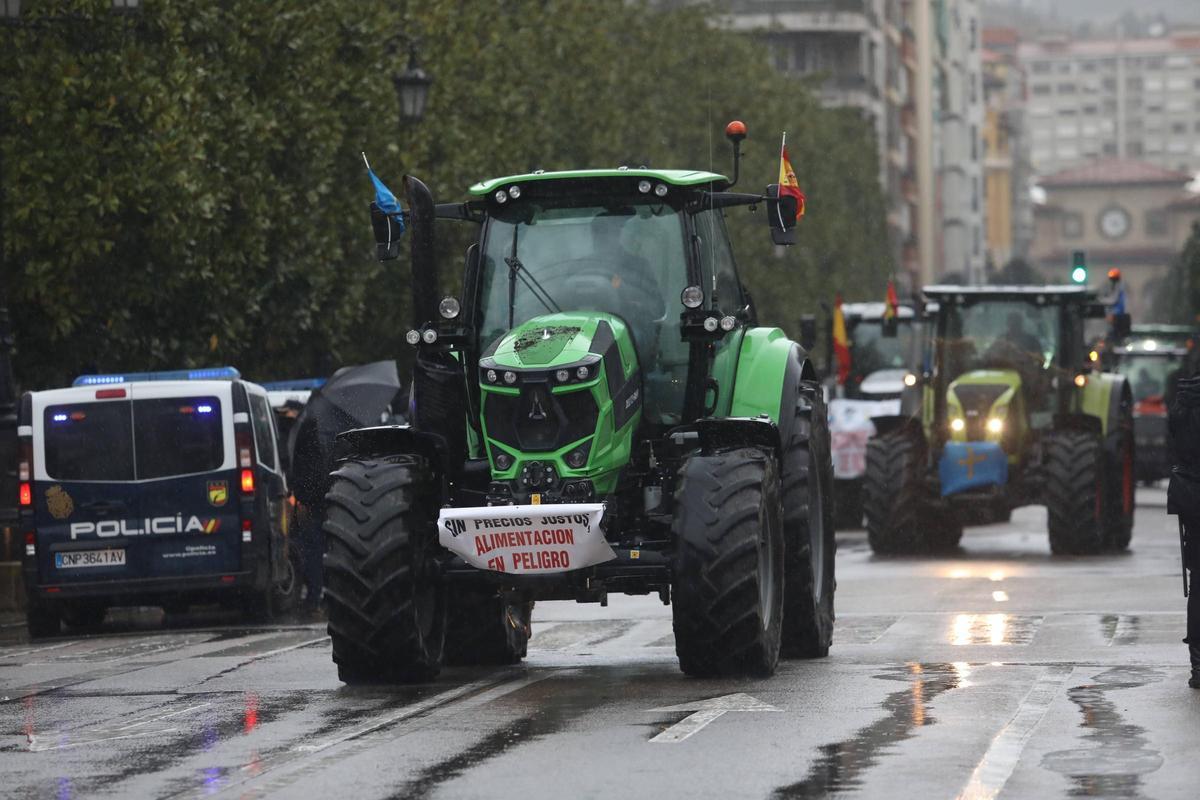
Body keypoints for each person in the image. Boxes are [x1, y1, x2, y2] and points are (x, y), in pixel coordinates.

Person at [1167, 372, 1200, 688]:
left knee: (1199, 581)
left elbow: (1174, 449)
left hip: (1191, 496)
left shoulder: (1184, 400)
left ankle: (1198, 666)